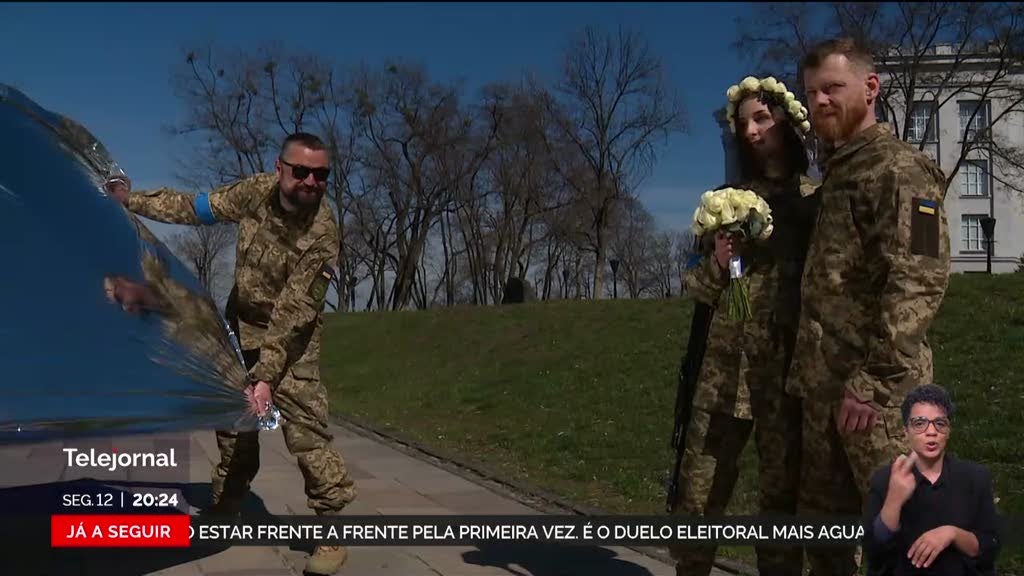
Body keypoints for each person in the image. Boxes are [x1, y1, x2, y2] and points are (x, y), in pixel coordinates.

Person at [106, 132, 356, 575]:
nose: (311, 182)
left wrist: (268, 378)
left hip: (292, 343)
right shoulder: (255, 192)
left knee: (307, 435)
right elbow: (196, 207)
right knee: (233, 426)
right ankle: (227, 507)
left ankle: (332, 531)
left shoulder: (324, 232)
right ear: (280, 170)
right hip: (241, 328)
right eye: (301, 171)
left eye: (321, 174)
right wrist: (133, 202)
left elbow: (295, 311)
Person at [787, 38, 952, 576]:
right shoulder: (836, 176)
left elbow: (921, 277)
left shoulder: (901, 170)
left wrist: (872, 380)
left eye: (833, 88)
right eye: (812, 93)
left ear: (871, 87)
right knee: (826, 540)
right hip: (824, 393)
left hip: (877, 400)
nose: (820, 103)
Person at [667, 74, 818, 576]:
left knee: (779, 501)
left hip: (783, 377)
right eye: (743, 122)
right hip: (722, 372)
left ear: (788, 123)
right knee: (699, 493)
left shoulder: (813, 201)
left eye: (762, 118)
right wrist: (718, 258)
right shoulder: (725, 202)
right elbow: (700, 290)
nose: (751, 131)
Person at [863, 384, 1001, 575]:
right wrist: (894, 500)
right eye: (920, 423)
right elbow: (875, 555)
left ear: (949, 430)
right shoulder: (885, 480)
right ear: (906, 431)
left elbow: (989, 547)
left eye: (940, 423)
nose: (931, 432)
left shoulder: (975, 478)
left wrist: (951, 533)